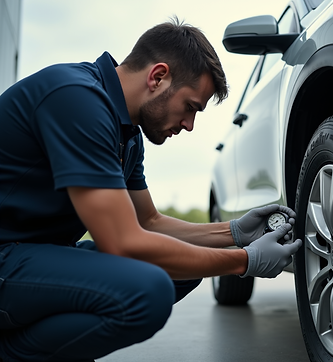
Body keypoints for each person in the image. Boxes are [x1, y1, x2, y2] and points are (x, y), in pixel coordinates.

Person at [0, 19, 302, 361]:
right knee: (149, 291)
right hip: (6, 256)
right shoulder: (75, 98)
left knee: (183, 270)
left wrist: (232, 232)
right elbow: (124, 242)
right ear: (158, 77)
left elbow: (149, 223)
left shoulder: (127, 131)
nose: (189, 125)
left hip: (31, 255)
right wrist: (244, 261)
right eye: (190, 107)